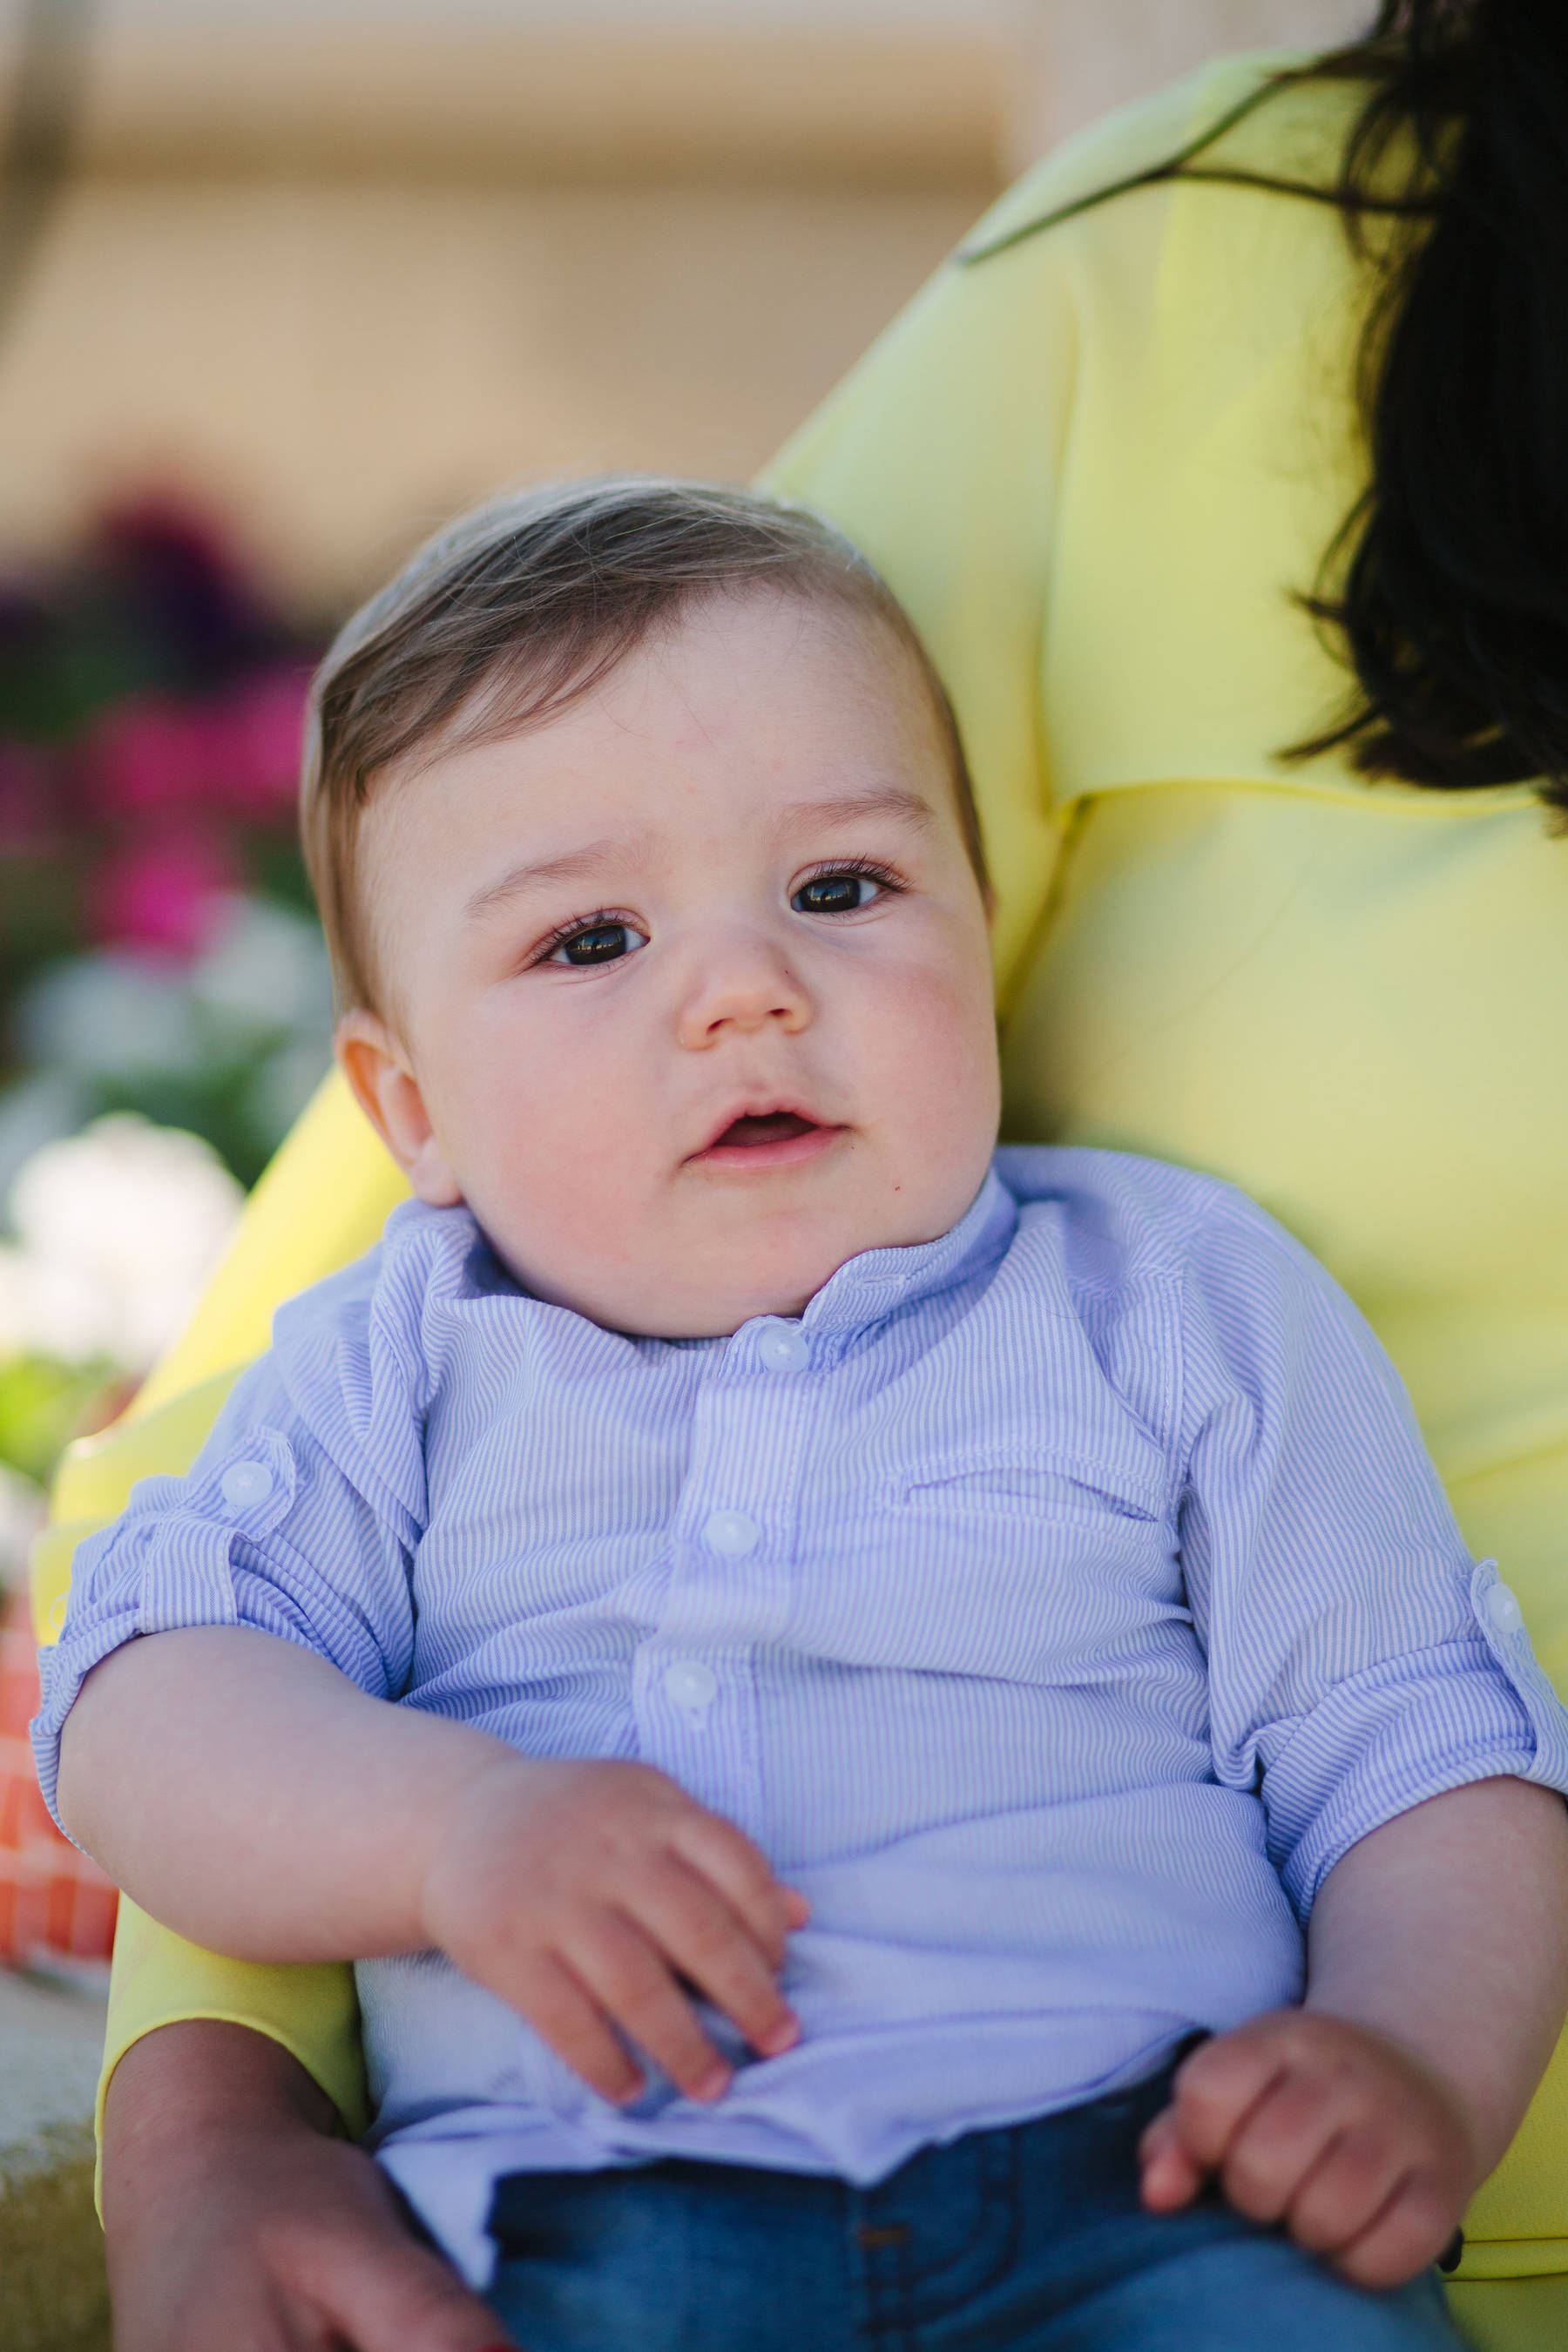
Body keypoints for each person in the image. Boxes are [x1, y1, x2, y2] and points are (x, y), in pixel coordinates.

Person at [36, 6, 1568, 2349]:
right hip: (591, 2215)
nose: (743, 992)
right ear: (407, 1110)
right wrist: (438, 1842)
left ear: (986, 901)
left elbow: (1423, 1755)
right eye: (591, 940)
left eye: (846, 894)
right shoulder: (403, 1359)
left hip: (1159, 2199)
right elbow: (151, 1700)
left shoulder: (1170, 1295)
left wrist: (1408, 2066)